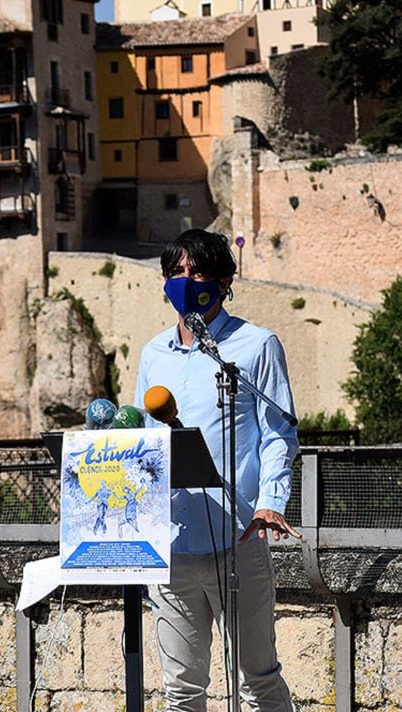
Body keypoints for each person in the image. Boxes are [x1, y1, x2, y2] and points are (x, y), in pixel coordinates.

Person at [133, 229, 301, 712]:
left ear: (225, 281)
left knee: (258, 682)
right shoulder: (153, 355)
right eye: (176, 273)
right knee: (181, 692)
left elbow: (278, 433)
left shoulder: (255, 346)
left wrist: (271, 501)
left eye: (198, 272)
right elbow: (147, 445)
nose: (185, 282)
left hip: (238, 537)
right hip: (172, 543)